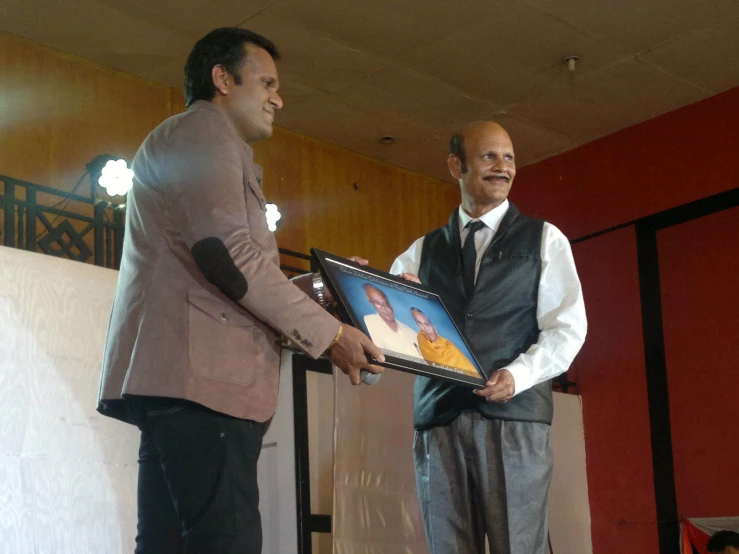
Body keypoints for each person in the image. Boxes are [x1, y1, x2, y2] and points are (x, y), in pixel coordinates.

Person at [96, 27, 383, 554]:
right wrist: (329, 333)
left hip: (184, 386)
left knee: (169, 544)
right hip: (205, 387)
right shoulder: (202, 134)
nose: (279, 97)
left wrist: (325, 289)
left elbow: (221, 268)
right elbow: (225, 258)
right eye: (267, 82)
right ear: (222, 79)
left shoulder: (206, 143)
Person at [391, 120, 587, 554]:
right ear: (455, 165)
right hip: (438, 419)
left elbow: (568, 328)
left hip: (514, 421)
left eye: (509, 157)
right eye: (488, 156)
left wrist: (517, 375)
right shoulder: (420, 251)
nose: (503, 167)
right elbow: (387, 329)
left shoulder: (544, 238)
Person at [410, 307, 479, 377]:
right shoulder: (421, 337)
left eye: (426, 323)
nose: (424, 327)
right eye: (419, 323)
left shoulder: (450, 342)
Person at [362, 282, 422, 359]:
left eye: (385, 303)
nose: (384, 308)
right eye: (377, 303)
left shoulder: (412, 333)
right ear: (370, 302)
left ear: (389, 303)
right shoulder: (368, 322)